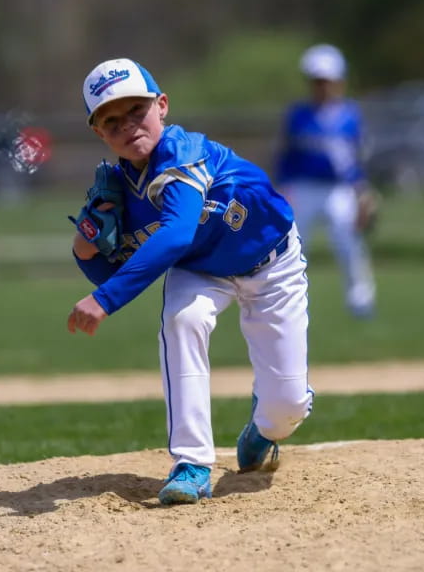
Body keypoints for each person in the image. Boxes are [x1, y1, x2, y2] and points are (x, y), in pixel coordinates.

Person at [67, 58, 314, 506]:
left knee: (288, 407)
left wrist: (105, 298)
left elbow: (176, 232)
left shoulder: (183, 153)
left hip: (272, 263)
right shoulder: (118, 190)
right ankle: (192, 462)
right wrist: (85, 246)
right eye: (112, 120)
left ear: (162, 106)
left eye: (137, 110)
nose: (128, 125)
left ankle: (262, 431)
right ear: (99, 133)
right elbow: (114, 267)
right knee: (183, 318)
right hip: (201, 268)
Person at [275, 44, 377, 319]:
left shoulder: (349, 116)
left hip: (338, 190)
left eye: (327, 81)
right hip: (303, 187)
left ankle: (361, 303)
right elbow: (286, 156)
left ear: (338, 81)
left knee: (350, 244)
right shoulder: (298, 115)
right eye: (317, 81)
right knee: (290, 246)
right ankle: (285, 303)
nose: (322, 87)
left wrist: (363, 192)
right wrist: (283, 189)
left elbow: (355, 160)